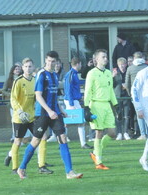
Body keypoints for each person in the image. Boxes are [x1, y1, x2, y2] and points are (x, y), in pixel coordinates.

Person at [16, 51, 82, 180]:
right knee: (36, 141)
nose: (50, 63)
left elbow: (54, 95)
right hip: (43, 114)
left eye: (53, 61)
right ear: (46, 61)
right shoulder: (42, 74)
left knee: (62, 137)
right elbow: (38, 95)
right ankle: (22, 167)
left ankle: (69, 172)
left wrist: (60, 109)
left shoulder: (55, 76)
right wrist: (49, 111)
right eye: (48, 61)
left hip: (55, 113)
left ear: (57, 62)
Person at [5, 58, 52, 175]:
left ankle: (41, 165)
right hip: (19, 117)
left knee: (43, 137)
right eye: (26, 66)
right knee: (18, 141)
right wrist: (20, 111)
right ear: (22, 68)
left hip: (32, 116)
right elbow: (13, 99)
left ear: (33, 67)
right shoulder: (19, 81)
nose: (28, 68)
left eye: (30, 66)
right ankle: (15, 168)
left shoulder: (36, 80)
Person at [85, 49, 119, 170]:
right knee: (99, 132)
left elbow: (110, 90)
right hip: (96, 105)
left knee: (112, 133)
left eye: (106, 57)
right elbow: (88, 91)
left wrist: (115, 104)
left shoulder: (108, 73)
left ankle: (95, 152)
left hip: (107, 105)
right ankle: (98, 162)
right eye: (103, 57)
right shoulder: (92, 73)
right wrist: (86, 107)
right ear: (96, 59)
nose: (106, 59)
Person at [63, 57, 90, 149]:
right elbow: (68, 88)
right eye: (80, 64)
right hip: (72, 101)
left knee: (72, 121)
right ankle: (65, 142)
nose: (81, 66)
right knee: (71, 122)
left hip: (74, 100)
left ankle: (64, 143)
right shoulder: (70, 74)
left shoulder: (73, 74)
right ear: (78, 64)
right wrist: (71, 103)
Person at [125, 52, 148, 139]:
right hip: (146, 94)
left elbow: (127, 84)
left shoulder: (130, 68)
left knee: (139, 114)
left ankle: (143, 134)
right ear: (142, 57)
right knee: (147, 114)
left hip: (135, 95)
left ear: (134, 58)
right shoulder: (147, 67)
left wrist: (130, 93)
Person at [113, 57, 131, 140]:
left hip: (126, 96)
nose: (122, 66)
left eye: (123, 64)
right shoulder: (115, 73)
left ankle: (126, 132)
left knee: (126, 115)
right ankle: (119, 133)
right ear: (118, 65)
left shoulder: (128, 72)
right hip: (118, 97)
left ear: (126, 65)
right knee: (118, 115)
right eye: (120, 65)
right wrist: (112, 77)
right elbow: (111, 85)